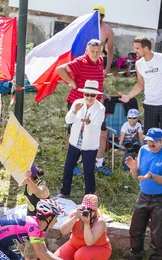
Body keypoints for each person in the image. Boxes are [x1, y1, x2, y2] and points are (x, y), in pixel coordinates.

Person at [119, 36, 162, 187]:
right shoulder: (139, 64)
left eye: (137, 48)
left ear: (146, 48)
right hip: (150, 105)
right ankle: (150, 169)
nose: (135, 51)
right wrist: (129, 96)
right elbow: (140, 84)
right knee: (150, 140)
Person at [118, 128, 162, 260]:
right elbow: (137, 175)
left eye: (154, 141)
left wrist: (151, 176)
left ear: (161, 140)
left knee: (156, 234)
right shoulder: (143, 149)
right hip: (144, 196)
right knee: (135, 230)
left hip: (161, 199)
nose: (150, 144)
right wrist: (132, 170)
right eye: (149, 140)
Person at [56, 39, 111, 175]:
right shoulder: (80, 61)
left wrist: (102, 93)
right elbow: (60, 69)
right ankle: (72, 164)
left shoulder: (99, 62)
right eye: (92, 51)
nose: (95, 54)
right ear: (86, 51)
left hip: (95, 105)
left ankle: (98, 163)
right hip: (78, 102)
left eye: (98, 52)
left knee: (102, 133)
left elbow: (98, 80)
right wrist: (72, 82)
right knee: (74, 134)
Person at [59, 80, 105, 198]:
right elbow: (68, 120)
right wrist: (74, 111)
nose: (89, 97)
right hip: (75, 141)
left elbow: (97, 128)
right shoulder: (77, 103)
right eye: (87, 94)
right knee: (68, 167)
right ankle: (65, 192)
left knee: (88, 171)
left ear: (96, 95)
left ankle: (89, 196)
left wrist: (89, 122)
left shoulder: (100, 108)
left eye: (92, 95)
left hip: (90, 144)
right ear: (84, 94)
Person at [57, 194, 112, 260]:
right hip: (75, 245)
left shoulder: (100, 221)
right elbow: (63, 231)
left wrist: (87, 224)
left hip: (98, 248)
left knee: (81, 255)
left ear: (96, 210)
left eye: (92, 210)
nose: (88, 212)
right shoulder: (76, 213)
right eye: (86, 209)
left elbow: (89, 242)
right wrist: (74, 218)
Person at [18, 164, 51, 260]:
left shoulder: (41, 185)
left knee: (31, 256)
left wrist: (28, 180)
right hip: (29, 224)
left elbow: (39, 191)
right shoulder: (27, 185)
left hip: (37, 226)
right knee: (25, 252)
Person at [92, 6, 114, 76]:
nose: (97, 17)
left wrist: (107, 68)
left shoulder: (108, 31)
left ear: (103, 16)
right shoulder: (87, 26)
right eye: (95, 14)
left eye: (99, 15)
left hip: (97, 61)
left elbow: (110, 50)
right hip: (84, 60)